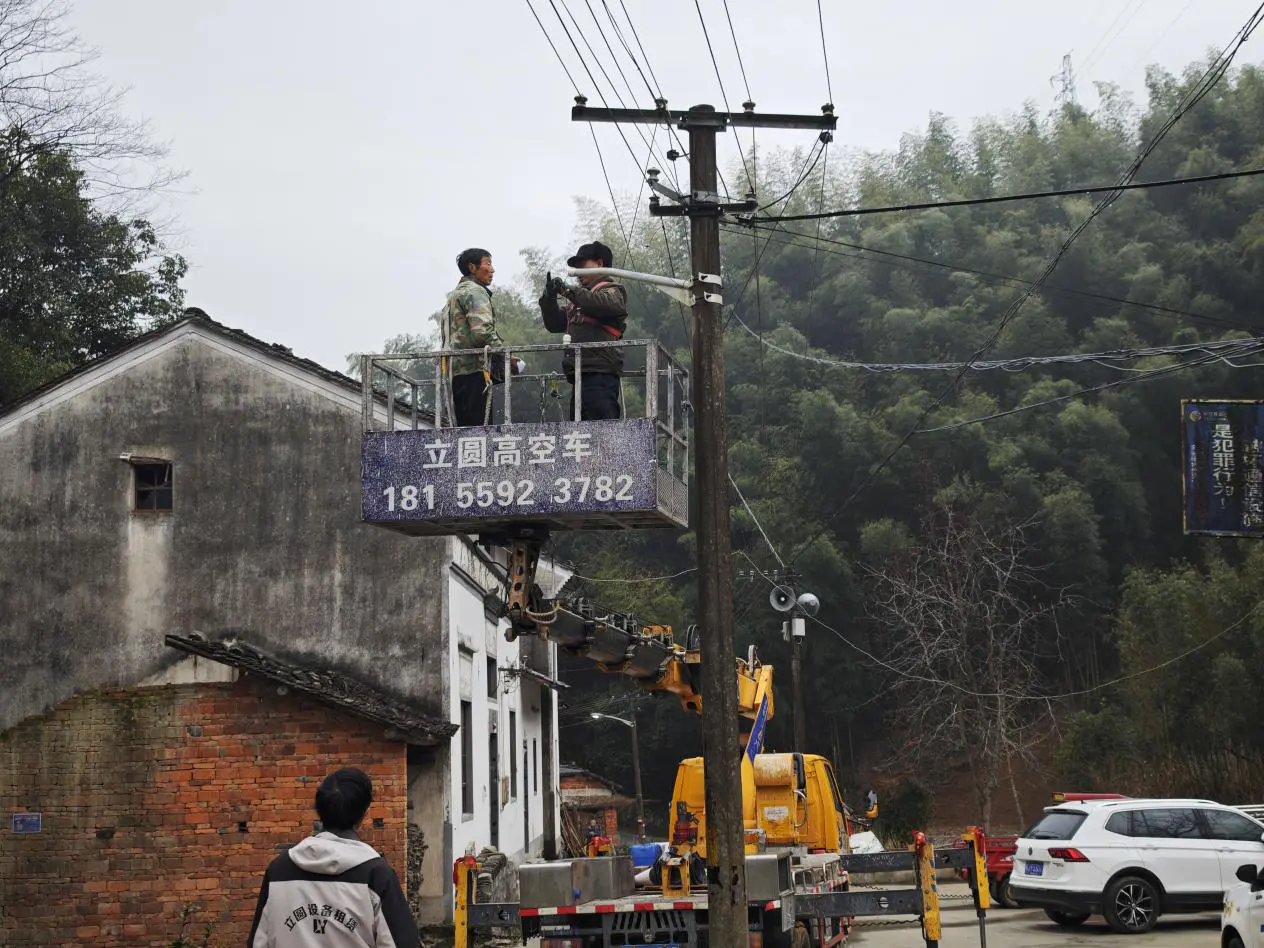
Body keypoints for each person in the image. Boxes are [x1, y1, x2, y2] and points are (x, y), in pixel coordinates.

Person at [247, 767, 419, 948]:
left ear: (319, 811)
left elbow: (259, 942)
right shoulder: (376, 875)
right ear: (365, 814)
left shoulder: (278, 871)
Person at [539, 240, 628, 421]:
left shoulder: (612, 291)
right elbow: (555, 323)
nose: (578, 273)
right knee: (581, 434)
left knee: (601, 430)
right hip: (580, 375)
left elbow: (604, 304)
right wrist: (549, 299)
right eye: (577, 269)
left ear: (600, 264)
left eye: (582, 267)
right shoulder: (579, 300)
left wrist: (567, 290)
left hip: (600, 374)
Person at [444, 248, 523, 427]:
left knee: (465, 432)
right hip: (475, 371)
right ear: (472, 267)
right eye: (488, 263)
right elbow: (483, 333)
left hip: (455, 373)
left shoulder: (453, 296)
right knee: (480, 430)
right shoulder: (475, 292)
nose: (492, 269)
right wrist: (506, 356)